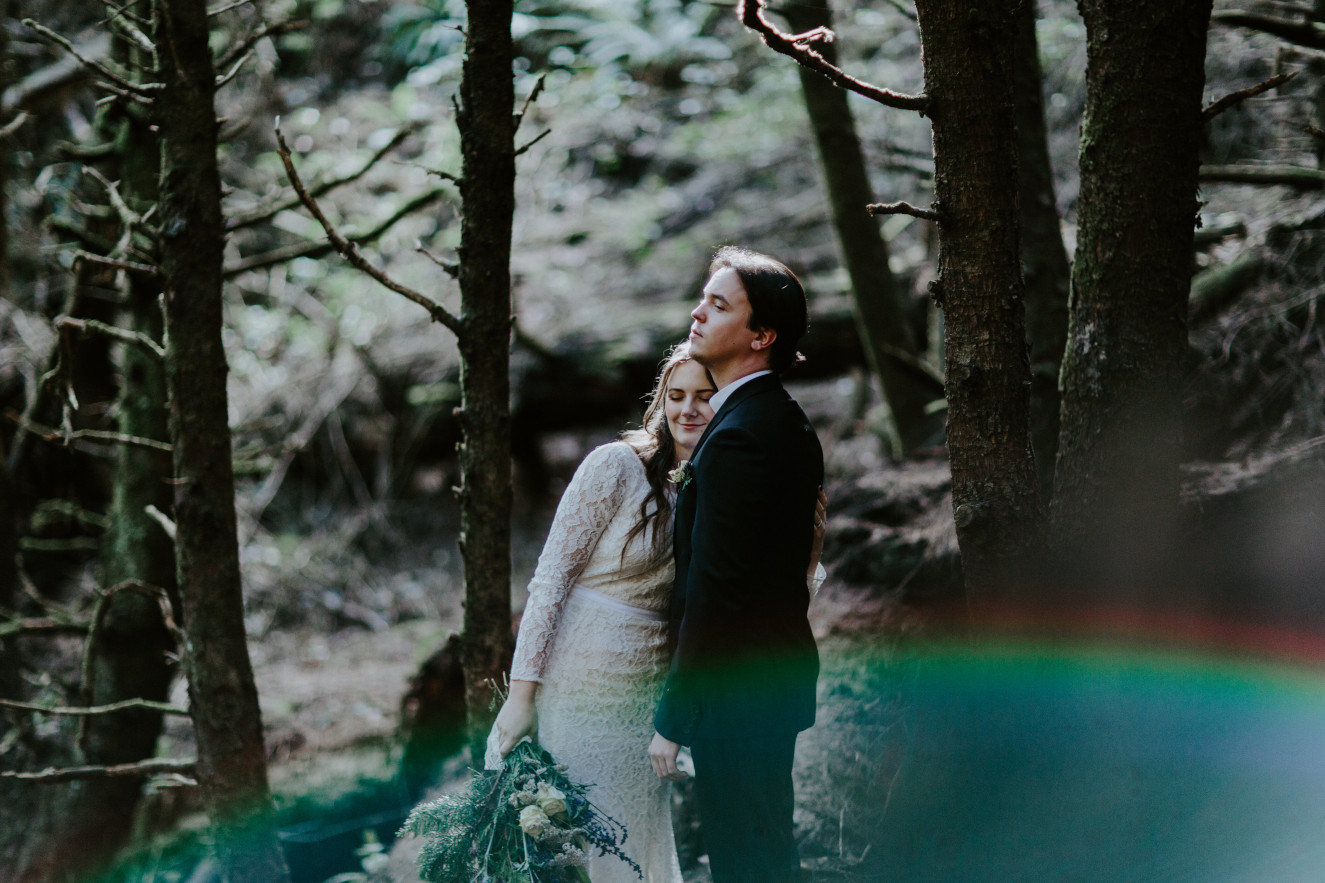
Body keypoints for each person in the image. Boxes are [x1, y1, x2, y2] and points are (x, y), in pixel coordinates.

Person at [486, 343, 717, 883]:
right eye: (676, 396)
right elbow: (549, 581)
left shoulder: (712, 491)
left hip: (646, 698)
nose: (688, 410)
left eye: (705, 398)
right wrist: (523, 696)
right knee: (577, 835)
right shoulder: (615, 465)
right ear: (659, 404)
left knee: (635, 839)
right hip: (579, 688)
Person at [649, 246, 824, 883]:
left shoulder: (743, 435)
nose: (697, 313)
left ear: (761, 335)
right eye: (703, 298)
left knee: (749, 860)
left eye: (719, 304)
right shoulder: (775, 418)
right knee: (764, 852)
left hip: (740, 691)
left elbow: (716, 590)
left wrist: (674, 716)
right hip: (766, 681)